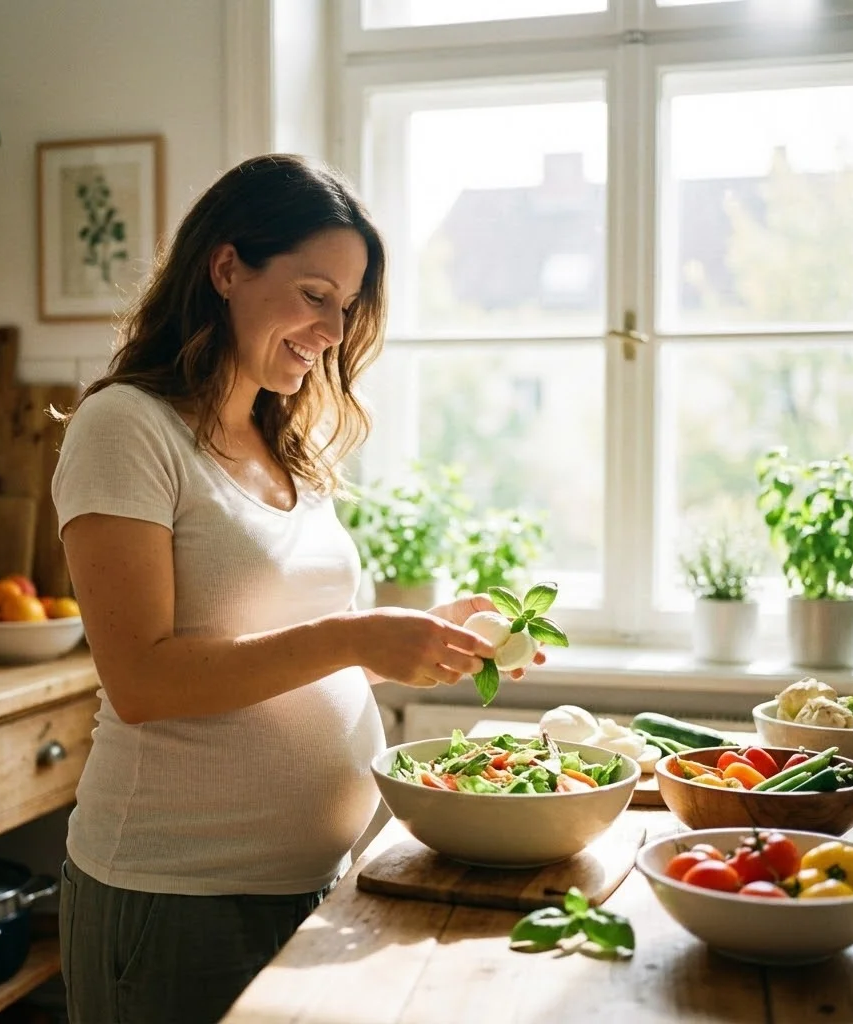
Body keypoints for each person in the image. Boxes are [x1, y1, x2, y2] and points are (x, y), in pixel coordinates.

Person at [53, 153, 539, 1024]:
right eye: (314, 293)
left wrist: (421, 636)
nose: (332, 329)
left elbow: (286, 650)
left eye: (346, 307)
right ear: (228, 267)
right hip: (179, 897)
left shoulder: (284, 445)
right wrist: (356, 637)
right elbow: (143, 680)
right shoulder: (125, 427)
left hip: (318, 883)